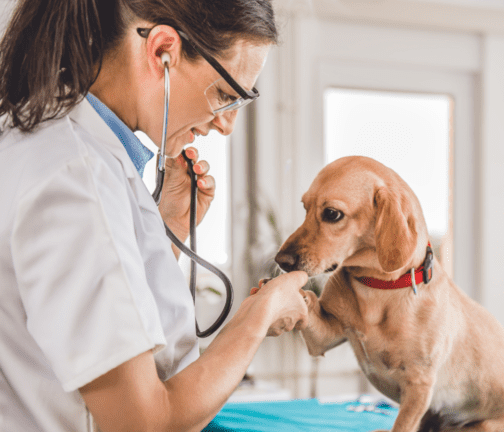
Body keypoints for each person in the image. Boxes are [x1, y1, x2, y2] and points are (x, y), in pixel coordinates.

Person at [0, 0, 310, 431]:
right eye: (226, 95)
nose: (226, 125)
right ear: (162, 50)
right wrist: (258, 315)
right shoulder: (75, 178)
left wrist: (167, 230)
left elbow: (91, 317)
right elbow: (142, 422)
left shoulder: (50, 146)